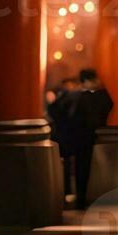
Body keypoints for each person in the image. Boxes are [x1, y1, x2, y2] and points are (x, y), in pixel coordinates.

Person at [71, 69, 112, 204]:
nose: (96, 83)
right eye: (93, 80)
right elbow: (107, 105)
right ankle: (81, 198)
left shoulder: (79, 96)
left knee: (82, 168)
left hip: (80, 138)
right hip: (84, 138)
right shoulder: (85, 97)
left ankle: (81, 198)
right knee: (83, 168)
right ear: (86, 81)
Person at [47, 76, 83, 205]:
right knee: (71, 165)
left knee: (66, 166)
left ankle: (66, 191)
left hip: (62, 135)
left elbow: (52, 111)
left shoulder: (62, 98)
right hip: (71, 136)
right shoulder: (74, 97)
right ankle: (68, 191)